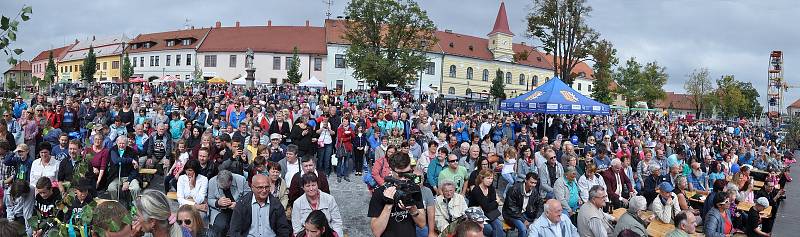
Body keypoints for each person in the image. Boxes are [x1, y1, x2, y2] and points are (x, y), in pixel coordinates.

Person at [367, 153, 426, 237]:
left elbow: (422, 224)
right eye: (401, 174)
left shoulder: (414, 188)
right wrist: (388, 204)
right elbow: (376, 232)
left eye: (408, 172)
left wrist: (413, 210)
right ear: (391, 170)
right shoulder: (379, 193)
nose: (404, 178)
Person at [228, 174, 293, 237]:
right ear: (252, 188)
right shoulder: (242, 204)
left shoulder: (276, 204)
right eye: (260, 187)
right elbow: (234, 231)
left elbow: (283, 229)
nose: (264, 190)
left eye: (267, 187)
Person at [208, 170, 248, 236]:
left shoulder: (241, 180)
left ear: (231, 181)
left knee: (240, 227)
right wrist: (217, 203)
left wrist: (238, 205)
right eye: (222, 187)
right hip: (220, 211)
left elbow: (248, 198)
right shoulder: (212, 181)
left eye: (227, 187)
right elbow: (209, 199)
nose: (225, 189)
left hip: (239, 210)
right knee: (220, 226)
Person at [502, 172, 542, 237]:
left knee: (538, 227)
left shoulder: (534, 191)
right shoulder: (514, 189)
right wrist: (523, 220)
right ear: (526, 180)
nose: (533, 185)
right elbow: (511, 208)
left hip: (525, 213)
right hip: (512, 214)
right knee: (523, 230)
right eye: (531, 182)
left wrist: (537, 217)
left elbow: (539, 204)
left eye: (535, 183)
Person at [465, 169, 503, 237]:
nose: (490, 180)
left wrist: (492, 203)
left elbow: (491, 206)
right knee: (489, 230)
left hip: (490, 214)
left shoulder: (491, 188)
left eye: (491, 178)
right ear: (482, 178)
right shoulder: (476, 190)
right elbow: (487, 207)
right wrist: (496, 201)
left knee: (499, 226)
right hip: (476, 215)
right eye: (488, 178)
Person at [107, 136, 141, 200]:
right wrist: (130, 160)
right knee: (111, 188)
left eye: (123, 143)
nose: (121, 145)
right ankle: (116, 204)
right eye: (120, 143)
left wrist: (128, 181)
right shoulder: (113, 150)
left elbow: (135, 169)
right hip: (116, 176)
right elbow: (116, 160)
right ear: (116, 143)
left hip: (129, 176)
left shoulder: (133, 152)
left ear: (127, 143)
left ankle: (137, 205)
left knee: (136, 188)